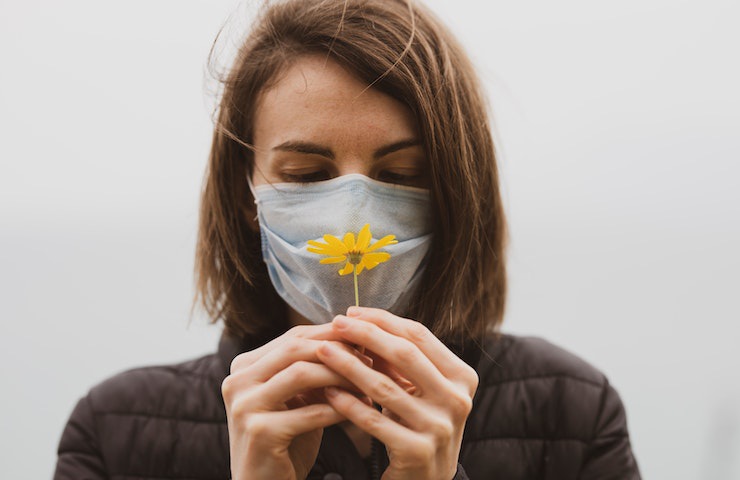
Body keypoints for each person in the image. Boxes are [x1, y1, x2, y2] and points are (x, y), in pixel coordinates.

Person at [54, 1, 641, 479]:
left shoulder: (575, 414)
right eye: (306, 176)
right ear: (246, 196)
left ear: (455, 194)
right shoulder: (112, 433)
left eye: (401, 176)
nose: (350, 215)